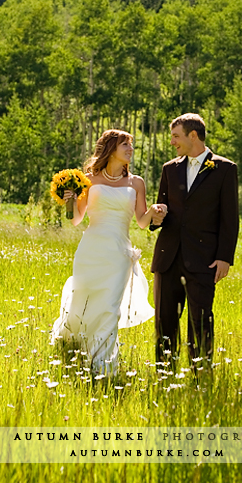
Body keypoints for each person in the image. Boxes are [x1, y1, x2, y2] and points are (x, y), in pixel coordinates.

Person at [50, 129, 165, 375]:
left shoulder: (137, 183)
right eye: (126, 145)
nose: (130, 150)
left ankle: (104, 365)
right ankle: (73, 347)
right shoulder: (88, 179)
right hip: (91, 249)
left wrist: (154, 211)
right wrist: (70, 200)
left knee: (110, 307)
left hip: (119, 253)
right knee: (84, 300)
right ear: (112, 148)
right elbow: (75, 219)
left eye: (131, 146)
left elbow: (142, 222)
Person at [150, 113, 239, 363]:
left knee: (200, 320)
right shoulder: (170, 169)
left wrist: (224, 258)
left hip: (204, 260)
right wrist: (157, 216)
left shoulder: (225, 169)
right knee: (164, 320)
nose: (172, 142)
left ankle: (201, 375)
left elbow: (229, 219)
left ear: (193, 135)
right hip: (168, 258)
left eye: (176, 136)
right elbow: (163, 209)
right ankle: (164, 372)